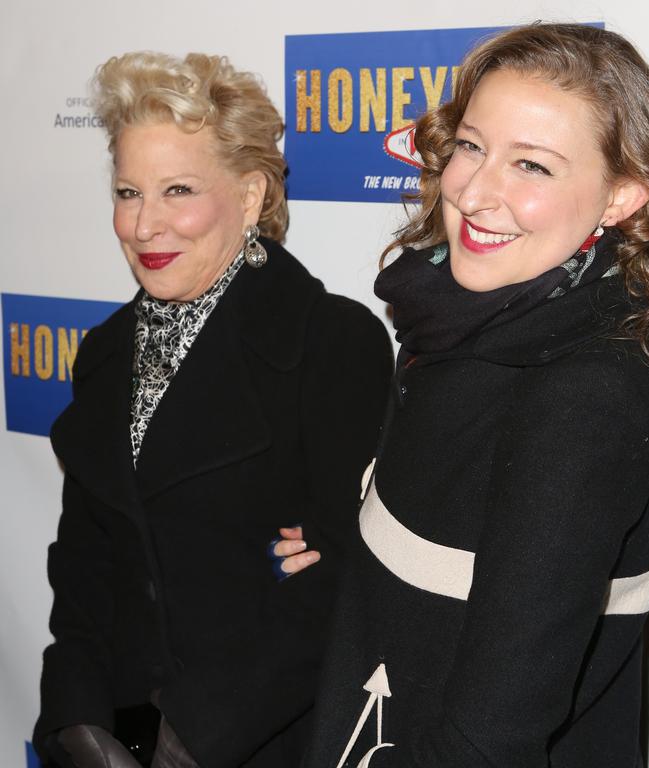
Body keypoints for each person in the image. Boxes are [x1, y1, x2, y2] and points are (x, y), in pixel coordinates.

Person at [277, 23, 649, 768]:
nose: (475, 190)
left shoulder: (587, 394)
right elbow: (462, 524)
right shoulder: (471, 314)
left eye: (533, 166)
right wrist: (367, 540)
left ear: (620, 197)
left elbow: (491, 737)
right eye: (471, 145)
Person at [32, 52, 393, 768]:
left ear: (251, 195)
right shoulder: (105, 354)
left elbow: (338, 585)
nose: (143, 225)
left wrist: (187, 741)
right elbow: (85, 567)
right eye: (129, 192)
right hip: (116, 734)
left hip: (258, 742)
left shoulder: (333, 344)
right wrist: (76, 723)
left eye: (178, 190)